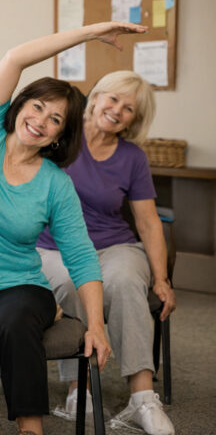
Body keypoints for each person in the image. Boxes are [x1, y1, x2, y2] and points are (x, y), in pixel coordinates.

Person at [0, 21, 146, 435]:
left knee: (16, 322)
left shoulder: (56, 183)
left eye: (55, 119)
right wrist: (89, 33)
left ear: (60, 134)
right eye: (37, 106)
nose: (40, 120)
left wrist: (96, 324)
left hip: (15, 283)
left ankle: (30, 426)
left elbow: (80, 255)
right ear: (20, 105)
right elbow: (15, 57)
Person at [37, 71, 176, 435]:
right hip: (54, 246)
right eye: (112, 99)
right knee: (71, 281)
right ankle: (77, 387)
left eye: (128, 108)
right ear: (95, 98)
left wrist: (161, 279)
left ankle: (142, 397)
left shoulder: (132, 158)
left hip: (114, 245)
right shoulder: (60, 137)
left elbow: (147, 222)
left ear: (134, 119)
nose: (117, 111)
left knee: (127, 281)